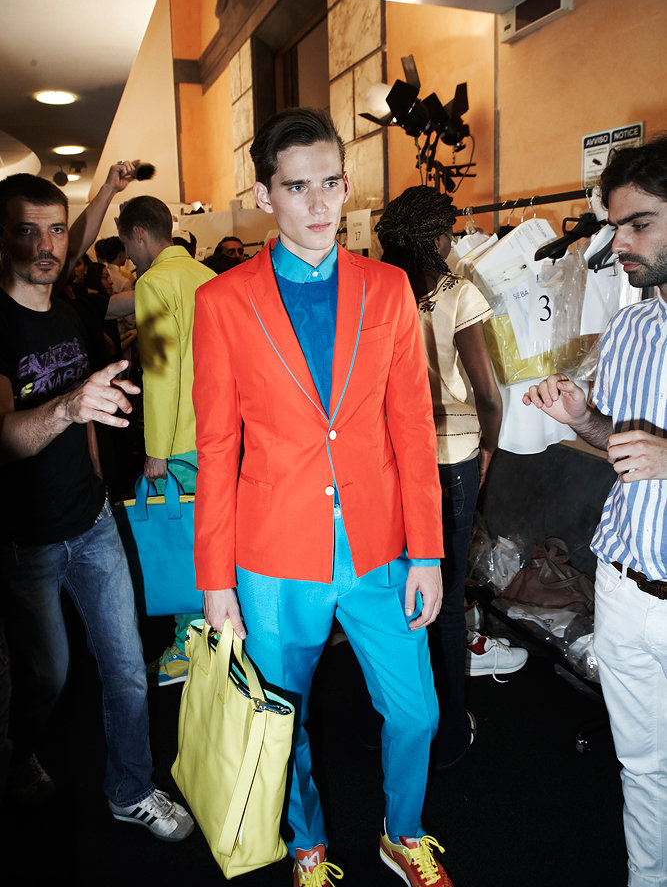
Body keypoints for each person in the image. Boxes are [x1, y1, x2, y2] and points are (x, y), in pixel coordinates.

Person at [193, 108, 454, 887]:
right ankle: (306, 840)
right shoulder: (223, 301)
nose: (318, 203)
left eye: (330, 183)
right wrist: (214, 581)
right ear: (263, 194)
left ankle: (401, 833)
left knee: (417, 711)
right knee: (284, 717)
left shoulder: (387, 286)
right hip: (272, 557)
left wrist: (428, 551)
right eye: (296, 186)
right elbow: (216, 448)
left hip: (380, 549)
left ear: (346, 185)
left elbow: (413, 428)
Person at [0, 172, 193, 841]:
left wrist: (97, 480)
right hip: (27, 541)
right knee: (47, 677)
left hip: (92, 522)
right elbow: (6, 437)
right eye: (27, 230)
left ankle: (130, 790)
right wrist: (68, 408)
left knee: (127, 669)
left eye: (57, 229)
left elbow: (87, 407)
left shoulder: (68, 314)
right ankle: (17, 754)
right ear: (4, 238)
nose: (47, 244)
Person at [523, 133, 667, 887]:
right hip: (621, 583)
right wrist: (582, 418)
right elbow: (619, 442)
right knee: (640, 766)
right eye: (615, 226)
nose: (620, 244)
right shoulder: (631, 328)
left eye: (639, 223)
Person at [375, 185, 525, 769]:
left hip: (390, 456)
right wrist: (488, 450)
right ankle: (449, 733)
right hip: (451, 453)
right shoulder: (458, 294)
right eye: (449, 231)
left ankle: (395, 719)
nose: (453, 241)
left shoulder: (377, 290)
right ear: (432, 235)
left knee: (396, 586)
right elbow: (487, 393)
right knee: (446, 587)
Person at [117, 195, 215, 685]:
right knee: (215, 545)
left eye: (125, 244)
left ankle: (187, 650)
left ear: (139, 233)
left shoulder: (153, 283)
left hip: (178, 443)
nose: (126, 256)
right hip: (219, 436)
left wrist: (155, 450)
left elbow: (159, 372)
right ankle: (218, 641)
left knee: (181, 548)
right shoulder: (207, 275)